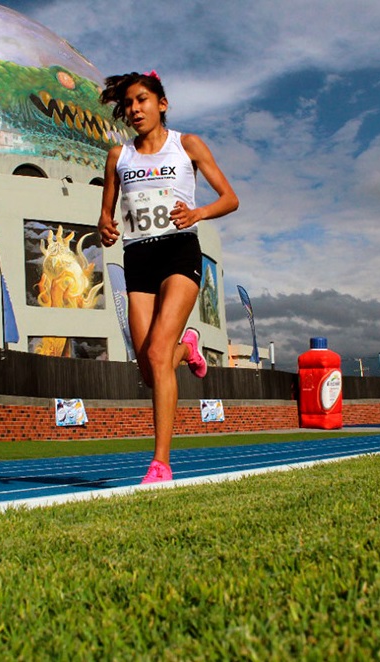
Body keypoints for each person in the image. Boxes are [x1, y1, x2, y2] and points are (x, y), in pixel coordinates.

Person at [98, 70, 239, 484]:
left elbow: (230, 198)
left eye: (142, 100)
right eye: (128, 104)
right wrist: (104, 226)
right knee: (148, 368)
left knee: (159, 356)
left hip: (178, 250)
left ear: (161, 104)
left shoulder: (187, 144)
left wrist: (197, 213)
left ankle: (160, 462)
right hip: (137, 257)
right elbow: (106, 216)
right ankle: (187, 347)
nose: (134, 109)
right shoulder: (117, 157)